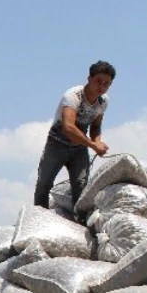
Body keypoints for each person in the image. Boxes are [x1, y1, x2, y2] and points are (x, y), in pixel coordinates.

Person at [33, 60, 115, 210]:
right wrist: (93, 144)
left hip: (79, 148)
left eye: (106, 84)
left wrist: (98, 142)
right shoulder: (73, 96)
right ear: (89, 79)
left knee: (82, 187)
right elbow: (68, 127)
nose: (101, 87)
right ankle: (38, 217)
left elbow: (95, 126)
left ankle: (81, 223)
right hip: (57, 145)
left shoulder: (103, 101)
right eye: (98, 82)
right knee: (44, 183)